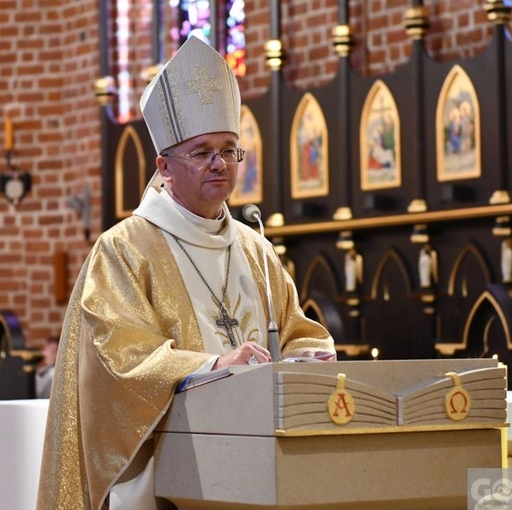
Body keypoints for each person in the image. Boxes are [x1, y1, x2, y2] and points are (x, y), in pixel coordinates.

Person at [37, 35, 334, 510]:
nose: (220, 163)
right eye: (201, 152)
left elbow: (299, 331)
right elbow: (119, 361)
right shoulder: (123, 249)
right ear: (165, 167)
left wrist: (311, 357)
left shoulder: (255, 248)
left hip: (262, 466)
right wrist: (213, 367)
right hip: (168, 475)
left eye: (229, 150)